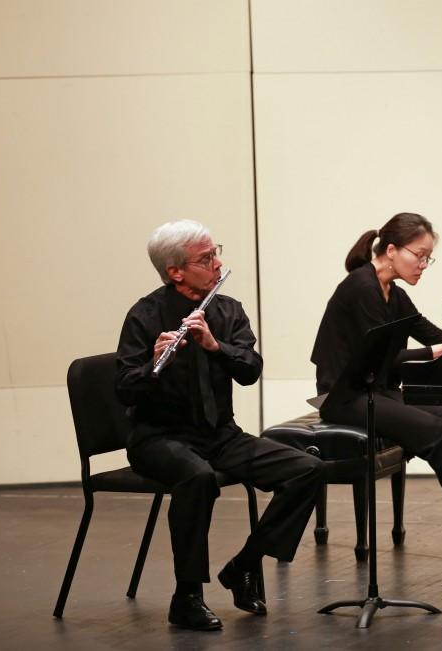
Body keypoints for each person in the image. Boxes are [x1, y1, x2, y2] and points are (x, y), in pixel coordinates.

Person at [116, 220, 326, 631]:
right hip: (159, 437)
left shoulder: (227, 311)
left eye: (216, 253)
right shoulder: (144, 315)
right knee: (196, 478)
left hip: (220, 434)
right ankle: (187, 596)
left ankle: (245, 565)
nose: (218, 263)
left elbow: (250, 370)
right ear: (175, 271)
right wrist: (153, 368)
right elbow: (124, 388)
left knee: (308, 469)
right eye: (206, 258)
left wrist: (215, 346)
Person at [311, 212, 442, 547]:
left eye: (428, 257)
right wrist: (430, 355)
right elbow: (375, 359)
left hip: (377, 390)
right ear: (390, 250)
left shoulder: (393, 293)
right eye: (419, 255)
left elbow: (430, 333)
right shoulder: (361, 287)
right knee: (441, 434)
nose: (423, 264)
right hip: (344, 397)